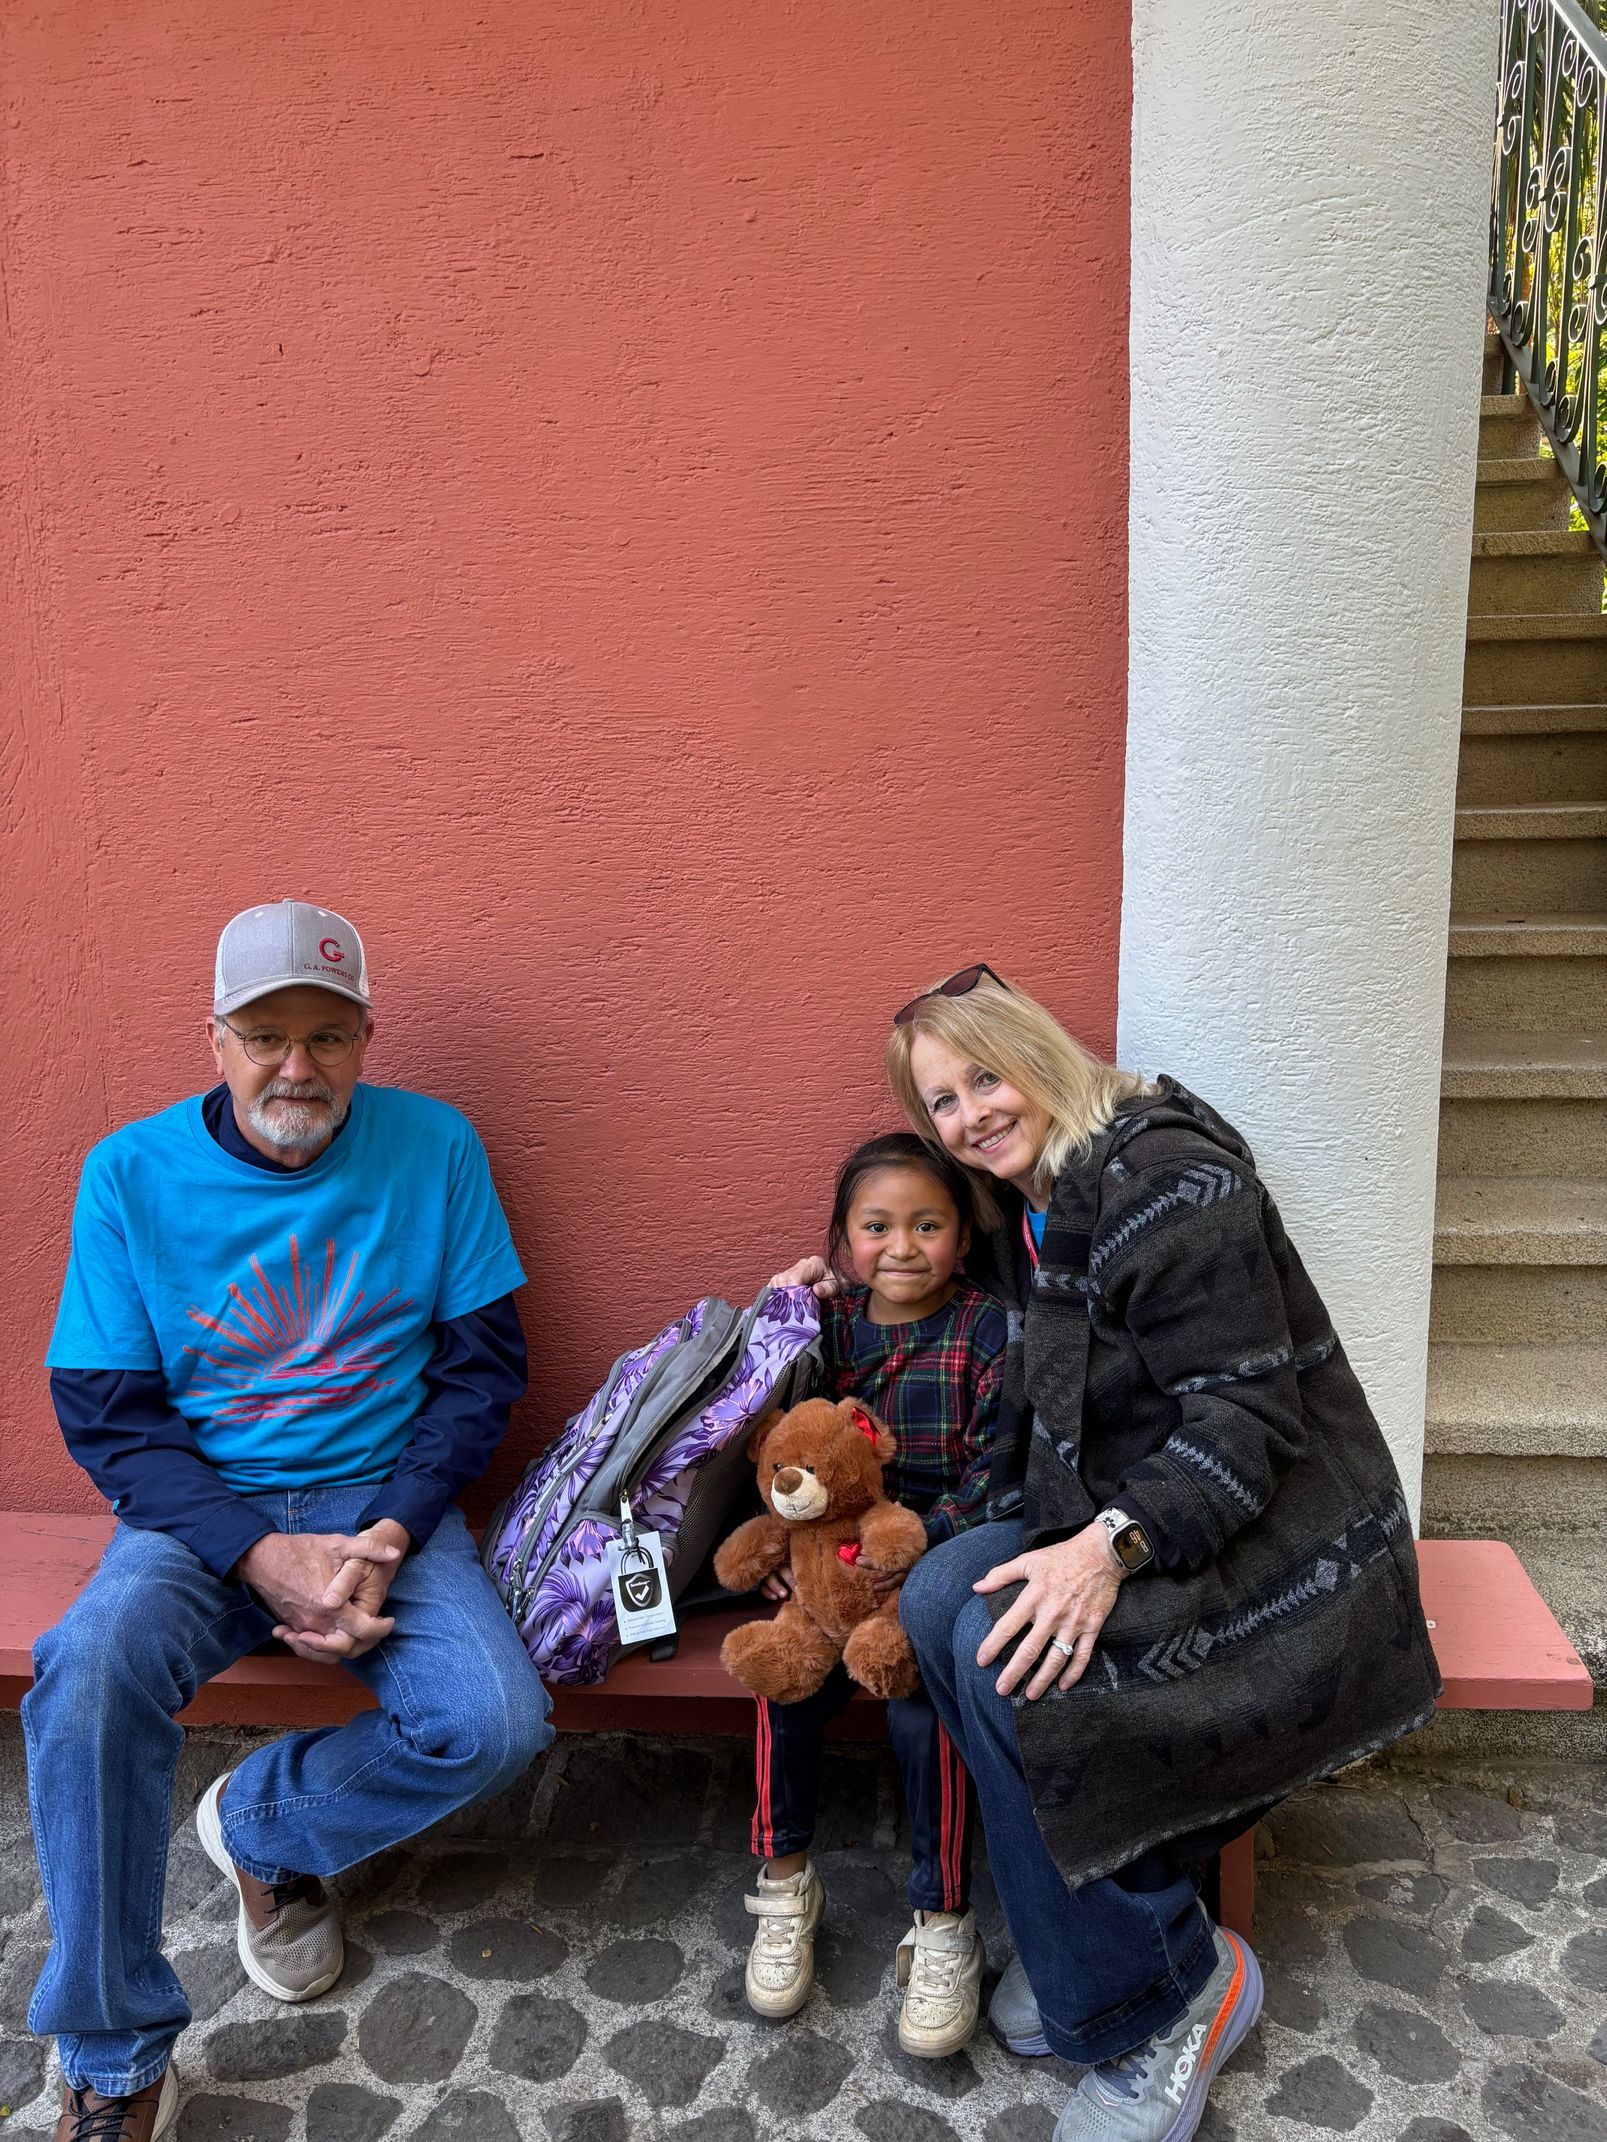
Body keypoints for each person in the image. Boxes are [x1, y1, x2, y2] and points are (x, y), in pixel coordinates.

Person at [779, 965, 1441, 2142]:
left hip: (1266, 1537)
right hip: (1119, 1505)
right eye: (941, 1101)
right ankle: (1098, 1943)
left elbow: (1248, 1423)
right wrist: (823, 1290)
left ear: (1035, 1047)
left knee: (1000, 1647)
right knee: (938, 1594)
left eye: (984, 1075)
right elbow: (975, 1304)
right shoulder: (1036, 1200)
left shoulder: (1164, 1177)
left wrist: (1103, 1548)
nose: (971, 1112)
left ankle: (1173, 1996)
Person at [27, 900, 554, 2142]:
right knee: (88, 1672)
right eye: (266, 1035)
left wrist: (387, 1532)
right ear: (214, 1038)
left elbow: (483, 1371)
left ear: (366, 1038)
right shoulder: (130, 1174)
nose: (296, 1067)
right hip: (204, 1516)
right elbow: (106, 1414)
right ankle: (110, 2058)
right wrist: (257, 1553)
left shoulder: (434, 1148)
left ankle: (261, 1828)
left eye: (326, 1035)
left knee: (496, 1722)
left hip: (384, 1502)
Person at [741, 1134, 1006, 2057]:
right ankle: (783, 1882)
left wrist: (923, 1546)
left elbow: (999, 1471)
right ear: (845, 1238)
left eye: (926, 1225)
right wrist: (783, 1543)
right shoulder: (831, 1327)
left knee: (917, 1709)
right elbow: (774, 1448)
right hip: (826, 1567)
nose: (901, 1246)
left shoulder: (986, 1330)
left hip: (933, 1566)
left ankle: (942, 1921)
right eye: (877, 1226)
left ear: (962, 1235)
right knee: (787, 1680)